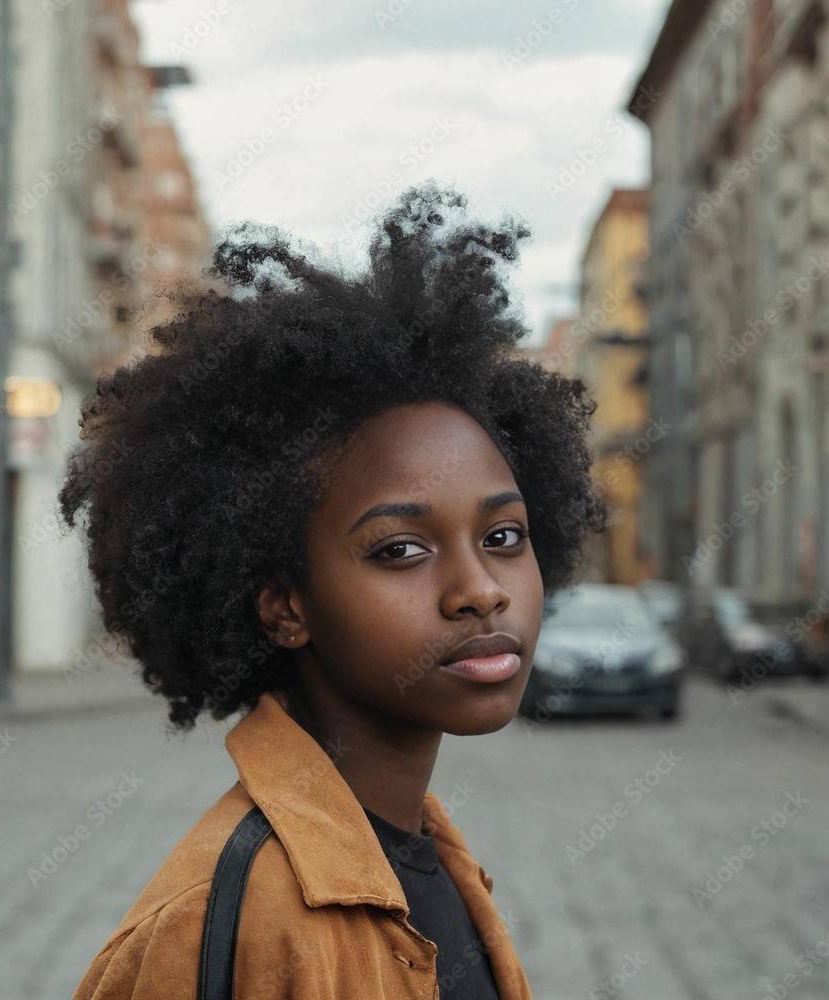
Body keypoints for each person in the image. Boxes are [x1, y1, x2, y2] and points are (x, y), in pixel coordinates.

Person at [61, 183, 606, 1000]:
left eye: (502, 538)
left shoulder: (431, 858)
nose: (480, 592)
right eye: (400, 549)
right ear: (286, 606)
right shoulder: (222, 917)